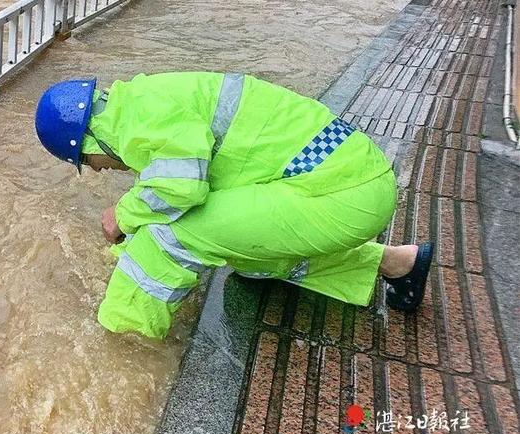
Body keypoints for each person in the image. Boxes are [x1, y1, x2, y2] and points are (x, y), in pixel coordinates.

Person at [34, 73, 434, 339]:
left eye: (87, 164)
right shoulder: (137, 105)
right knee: (249, 255)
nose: (99, 171)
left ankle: (126, 339)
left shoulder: (135, 122)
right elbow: (176, 180)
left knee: (169, 235)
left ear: (85, 144)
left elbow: (182, 190)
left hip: (344, 196)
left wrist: (119, 215)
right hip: (353, 183)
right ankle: (398, 263)